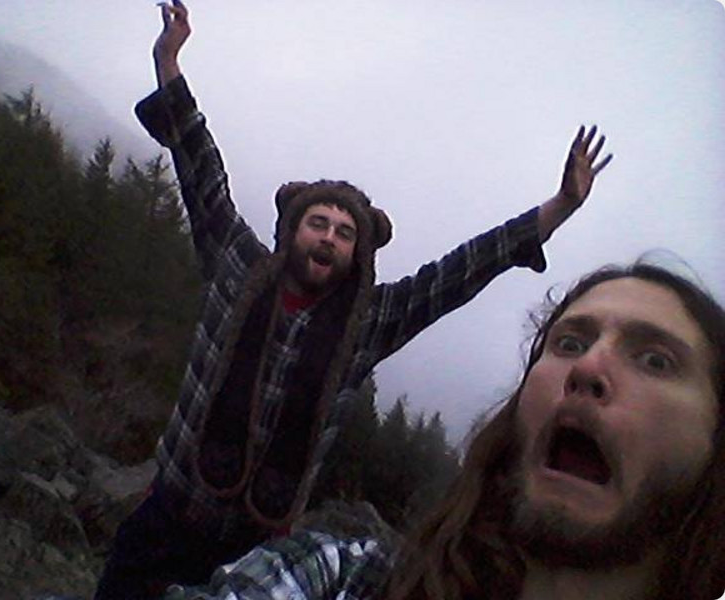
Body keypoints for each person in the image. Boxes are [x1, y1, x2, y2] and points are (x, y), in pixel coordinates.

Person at [94, 1, 613, 598]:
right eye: (318, 223)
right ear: (291, 230)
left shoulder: (367, 324)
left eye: (345, 233)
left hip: (255, 554)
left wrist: (558, 208)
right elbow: (199, 166)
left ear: (358, 253)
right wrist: (168, 62)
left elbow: (460, 272)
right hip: (167, 518)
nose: (329, 238)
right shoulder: (236, 266)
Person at [163, 261, 725, 600]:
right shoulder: (345, 578)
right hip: (171, 503)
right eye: (570, 342)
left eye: (655, 360)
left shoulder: (365, 322)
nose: (587, 367)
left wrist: (542, 220)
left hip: (264, 515)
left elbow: (447, 279)